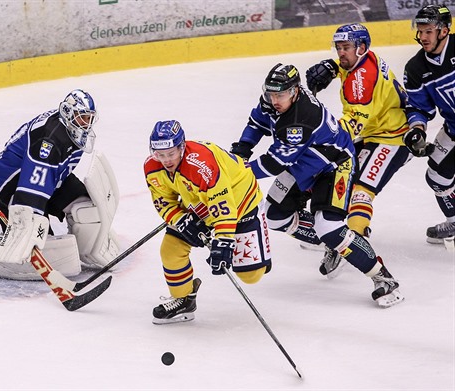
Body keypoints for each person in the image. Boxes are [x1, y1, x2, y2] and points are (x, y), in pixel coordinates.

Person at [230, 63, 404, 307]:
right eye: (271, 93)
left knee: (328, 226)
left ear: (295, 91)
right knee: (274, 216)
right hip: (303, 162)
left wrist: (237, 173)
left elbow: (274, 163)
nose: (274, 99)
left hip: (334, 165)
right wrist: (242, 149)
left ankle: (382, 277)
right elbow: (257, 123)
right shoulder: (272, 99)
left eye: (280, 95)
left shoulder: (301, 119)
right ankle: (334, 244)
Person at [0, 89, 120, 279]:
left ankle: (89, 251)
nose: (86, 124)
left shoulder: (70, 129)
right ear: (68, 113)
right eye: (82, 118)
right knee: (40, 244)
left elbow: (52, 171)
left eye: (89, 118)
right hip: (12, 188)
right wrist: (31, 227)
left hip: (51, 176)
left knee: (86, 209)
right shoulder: (49, 141)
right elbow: (31, 193)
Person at [305, 23, 412, 270]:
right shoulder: (362, 60)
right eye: (338, 48)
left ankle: (353, 243)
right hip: (374, 131)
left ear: (361, 48)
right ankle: (336, 227)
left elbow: (351, 126)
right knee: (337, 173)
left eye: (346, 48)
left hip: (393, 137)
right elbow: (345, 66)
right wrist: (332, 67)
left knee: (361, 191)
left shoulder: (360, 84)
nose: (341, 53)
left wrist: (320, 134)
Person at [144, 120, 272, 324]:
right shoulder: (152, 167)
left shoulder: (201, 164)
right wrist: (180, 219)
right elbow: (163, 201)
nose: (166, 160)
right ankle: (183, 300)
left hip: (241, 203)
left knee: (251, 275)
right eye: (160, 154)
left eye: (171, 154)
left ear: (182, 147)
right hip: (199, 204)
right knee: (170, 250)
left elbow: (224, 206)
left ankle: (260, 238)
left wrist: (223, 241)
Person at [403, 4, 455, 247]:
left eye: (428, 31)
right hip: (454, 129)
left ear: (444, 30)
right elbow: (419, 108)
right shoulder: (416, 68)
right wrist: (417, 130)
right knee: (436, 176)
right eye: (420, 31)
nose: (423, 37)